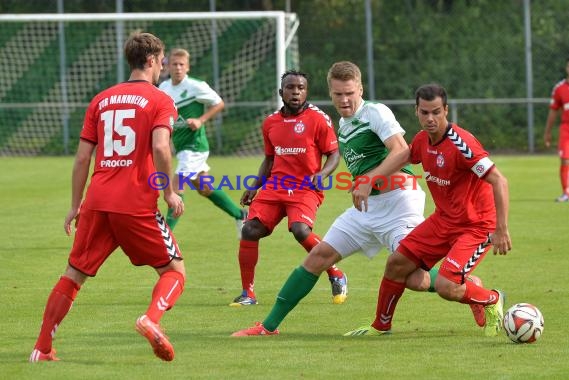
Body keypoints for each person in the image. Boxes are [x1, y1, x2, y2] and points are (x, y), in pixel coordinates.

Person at [231, 62, 484, 336]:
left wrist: (368, 179)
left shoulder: (374, 112)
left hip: (399, 204)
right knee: (318, 257)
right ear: (331, 93)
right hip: (366, 208)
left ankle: (472, 289)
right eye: (338, 94)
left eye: (350, 93)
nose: (344, 100)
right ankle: (268, 327)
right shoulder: (342, 124)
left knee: (414, 279)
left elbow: (400, 150)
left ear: (360, 89)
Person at [29, 32, 185, 362]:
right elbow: (160, 147)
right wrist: (169, 191)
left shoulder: (101, 99)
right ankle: (151, 320)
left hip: (97, 202)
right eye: (161, 62)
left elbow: (83, 157)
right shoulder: (159, 100)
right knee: (174, 271)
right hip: (135, 204)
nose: (162, 68)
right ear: (153, 60)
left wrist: (75, 206)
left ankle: (42, 348)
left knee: (73, 274)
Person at [343, 83, 511, 337]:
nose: (430, 118)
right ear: (416, 112)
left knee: (446, 286)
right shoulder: (422, 140)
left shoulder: (461, 144)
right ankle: (380, 326)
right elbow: (402, 157)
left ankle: (490, 298)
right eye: (424, 112)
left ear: (446, 110)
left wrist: (501, 229)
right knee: (398, 265)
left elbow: (499, 180)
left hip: (476, 226)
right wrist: (368, 180)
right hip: (443, 221)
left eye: (436, 112)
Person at [229, 69, 348, 307]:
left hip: (305, 187)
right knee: (249, 230)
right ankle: (248, 294)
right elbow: (269, 159)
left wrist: (322, 174)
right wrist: (254, 186)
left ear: (306, 91)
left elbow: (334, 154)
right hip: (275, 187)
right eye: (291, 87)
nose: (296, 92)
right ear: (281, 92)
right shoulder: (271, 122)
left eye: (301, 88)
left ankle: (335, 272)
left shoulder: (318, 119)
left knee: (300, 230)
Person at [159, 48, 247, 235]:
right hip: (181, 146)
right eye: (174, 64)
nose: (178, 68)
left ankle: (165, 236)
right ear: (168, 66)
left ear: (188, 67)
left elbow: (219, 103)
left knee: (176, 186)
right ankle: (240, 214)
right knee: (204, 187)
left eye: (182, 65)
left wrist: (201, 120)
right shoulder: (164, 88)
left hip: (195, 146)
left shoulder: (196, 86)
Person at [544, 57, 569, 202]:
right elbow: (553, 111)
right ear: (567, 68)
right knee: (565, 160)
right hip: (567, 128)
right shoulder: (559, 88)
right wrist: (547, 132)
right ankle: (566, 193)